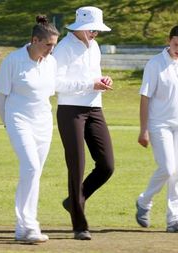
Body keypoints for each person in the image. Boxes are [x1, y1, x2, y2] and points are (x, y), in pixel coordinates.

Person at [0, 15, 59, 243]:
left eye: (54, 45)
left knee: (33, 173)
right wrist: (7, 122)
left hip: (43, 123)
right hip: (19, 121)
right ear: (34, 40)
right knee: (31, 167)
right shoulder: (13, 60)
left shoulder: (51, 62)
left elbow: (57, 88)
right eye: (48, 44)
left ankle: (23, 227)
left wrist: (92, 84)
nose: (51, 49)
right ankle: (29, 226)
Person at [52, 6, 114, 240]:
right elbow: (56, 84)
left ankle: (74, 201)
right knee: (76, 166)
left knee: (107, 165)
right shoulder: (64, 48)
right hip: (70, 111)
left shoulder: (94, 46)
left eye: (98, 30)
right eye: (93, 29)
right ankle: (79, 225)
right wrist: (90, 84)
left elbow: (93, 77)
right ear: (80, 26)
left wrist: (102, 80)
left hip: (95, 108)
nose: (96, 34)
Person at [135, 25, 178, 233]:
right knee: (167, 168)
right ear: (168, 41)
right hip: (159, 124)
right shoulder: (155, 64)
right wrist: (143, 129)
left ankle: (175, 219)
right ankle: (144, 202)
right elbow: (145, 98)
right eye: (176, 45)